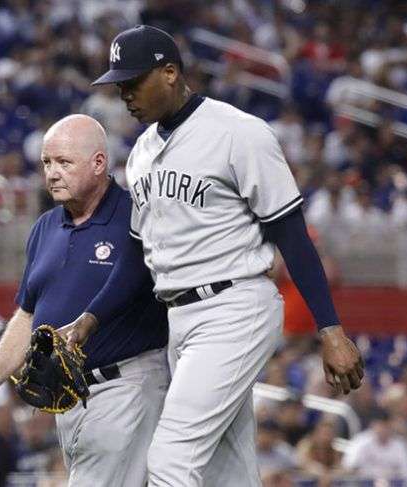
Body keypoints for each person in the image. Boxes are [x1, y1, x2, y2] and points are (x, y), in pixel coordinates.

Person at [64, 25, 363, 486]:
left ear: (169, 72)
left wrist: (331, 328)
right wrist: (89, 320)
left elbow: (293, 237)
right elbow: (136, 258)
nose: (123, 94)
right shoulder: (141, 152)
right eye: (118, 84)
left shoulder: (238, 133)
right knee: (229, 470)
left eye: (132, 82)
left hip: (234, 307)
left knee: (169, 459)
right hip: (179, 320)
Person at [0, 114, 169, 486]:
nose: (52, 173)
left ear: (99, 163)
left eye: (64, 162)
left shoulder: (135, 218)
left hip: (126, 386)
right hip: (69, 399)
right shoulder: (45, 228)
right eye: (46, 163)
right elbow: (27, 316)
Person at [341, 409, 407, 482]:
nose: (384, 429)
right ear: (373, 425)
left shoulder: (399, 445)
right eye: (380, 425)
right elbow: (348, 467)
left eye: (387, 426)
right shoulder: (361, 442)